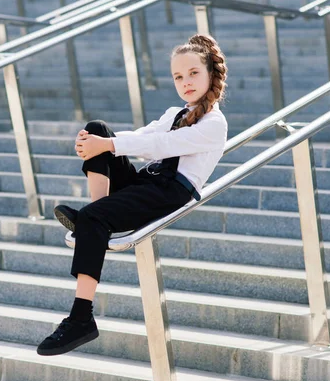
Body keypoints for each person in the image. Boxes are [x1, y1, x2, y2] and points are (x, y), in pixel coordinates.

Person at [37, 34, 228, 356]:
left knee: (94, 216)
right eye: (178, 76)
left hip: (170, 191)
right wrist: (95, 142)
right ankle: (96, 218)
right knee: (97, 127)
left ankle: (81, 318)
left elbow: (162, 146)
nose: (186, 82)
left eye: (193, 73)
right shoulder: (174, 113)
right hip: (145, 182)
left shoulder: (214, 124)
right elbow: (143, 137)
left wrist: (110, 146)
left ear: (211, 73)